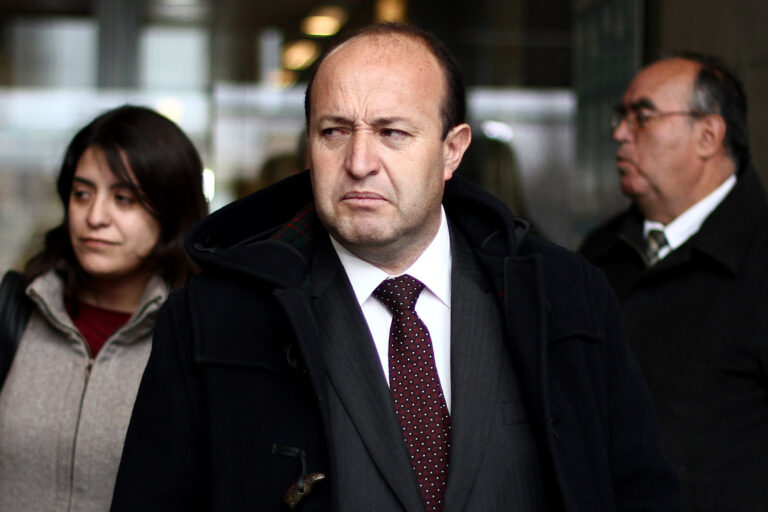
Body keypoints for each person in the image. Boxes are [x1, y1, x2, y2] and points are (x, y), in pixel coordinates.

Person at [112, 24, 680, 511]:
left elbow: (639, 491)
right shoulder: (214, 318)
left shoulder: (564, 296)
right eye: (334, 132)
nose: (360, 162)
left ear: (452, 150)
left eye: (392, 133)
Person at [580, 53, 768, 510]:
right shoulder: (598, 253)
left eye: (642, 117)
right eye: (622, 117)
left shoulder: (759, 256)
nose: (620, 134)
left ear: (708, 135)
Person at [0, 105, 207, 512]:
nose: (95, 217)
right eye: (82, 194)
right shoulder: (17, 308)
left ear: (170, 211)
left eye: (124, 199)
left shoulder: (197, 331)